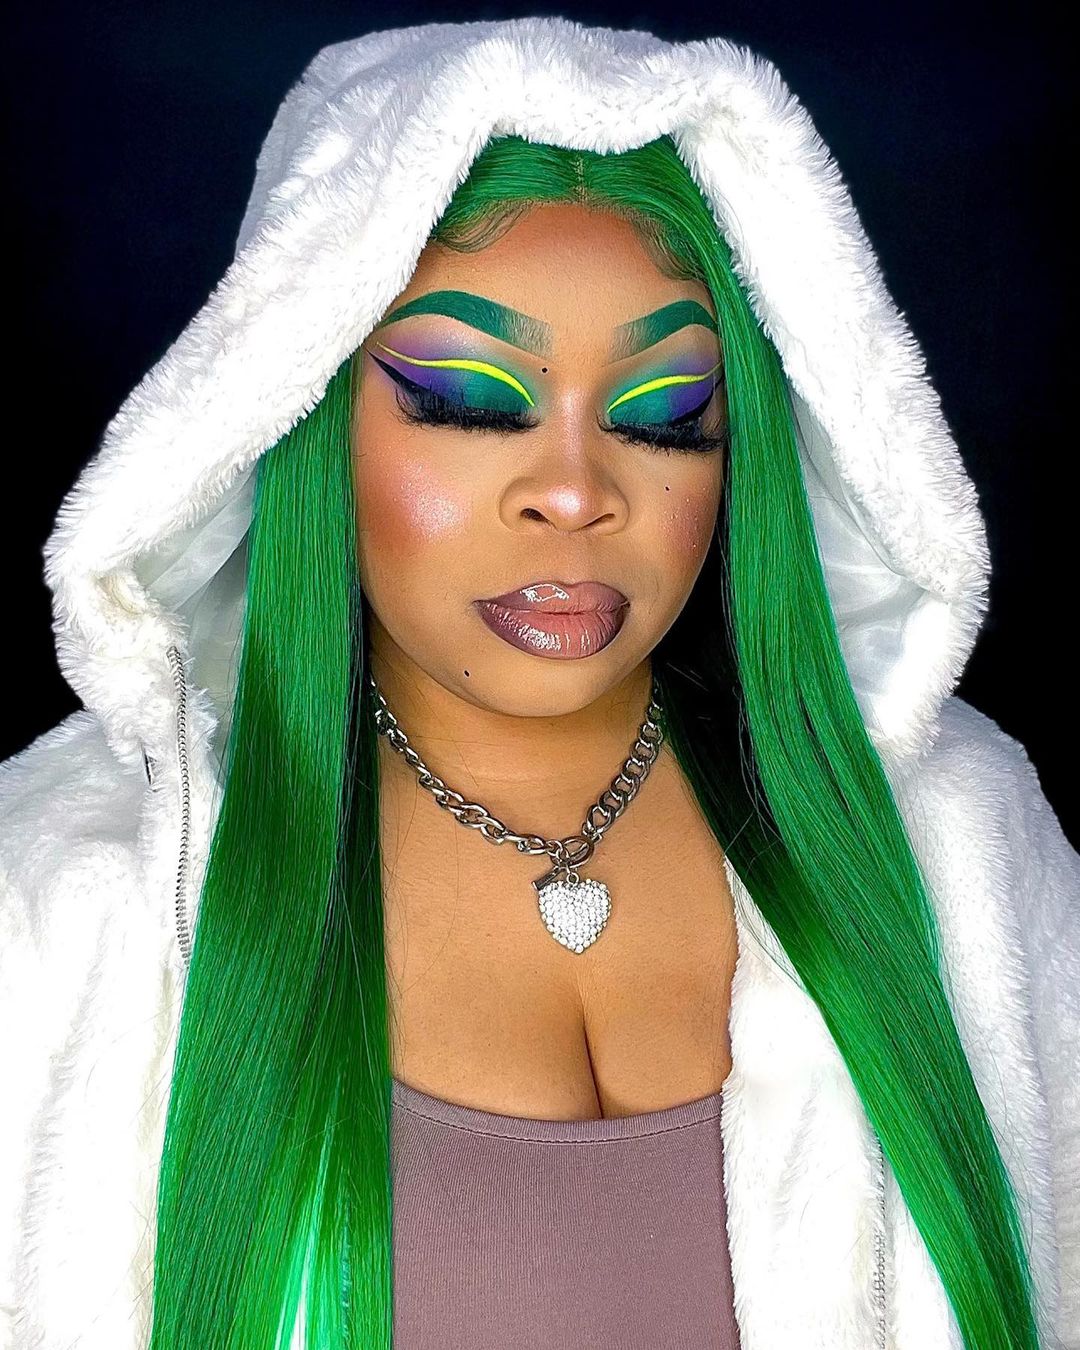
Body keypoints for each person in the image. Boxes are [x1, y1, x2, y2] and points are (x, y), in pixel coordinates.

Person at [0, 18, 1076, 1350]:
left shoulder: (963, 844)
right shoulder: (66, 902)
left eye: (664, 413)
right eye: (468, 399)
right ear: (302, 408)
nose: (574, 492)